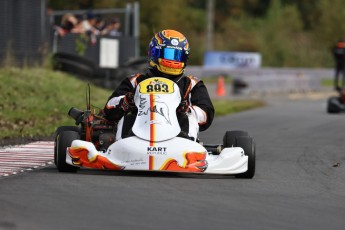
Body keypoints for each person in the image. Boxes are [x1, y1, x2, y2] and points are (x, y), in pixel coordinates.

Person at [103, 29, 214, 141]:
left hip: (179, 140)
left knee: (189, 117)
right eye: (169, 54)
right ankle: (123, 144)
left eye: (178, 56)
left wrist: (186, 109)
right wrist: (126, 102)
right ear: (154, 53)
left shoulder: (192, 84)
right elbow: (109, 108)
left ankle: (187, 145)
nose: (173, 60)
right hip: (136, 137)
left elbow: (206, 115)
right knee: (127, 116)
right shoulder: (135, 81)